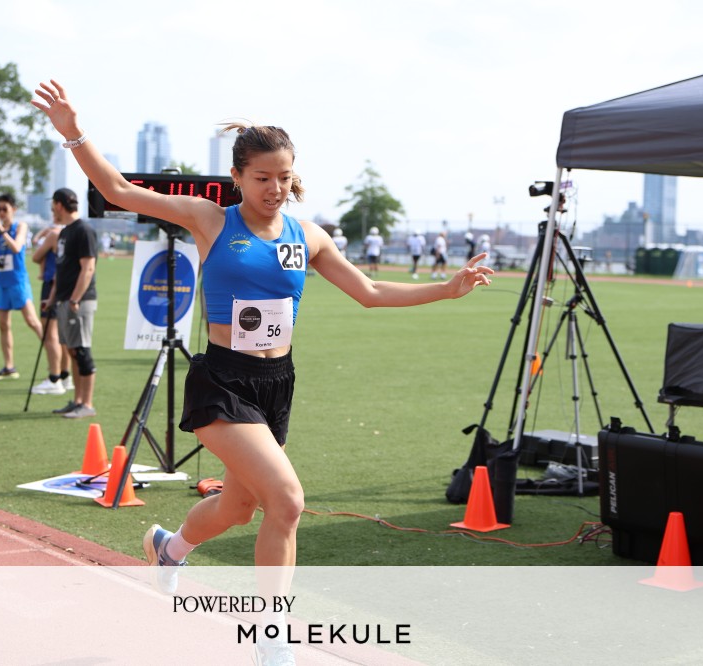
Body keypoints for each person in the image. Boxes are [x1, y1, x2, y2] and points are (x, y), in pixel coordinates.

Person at [32, 79, 493, 577]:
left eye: (284, 177)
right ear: (237, 176)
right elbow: (119, 191)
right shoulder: (210, 219)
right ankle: (273, 623)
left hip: (276, 383)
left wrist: (446, 289)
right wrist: (75, 133)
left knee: (237, 508)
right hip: (223, 381)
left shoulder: (308, 236)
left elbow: (370, 291)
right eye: (262, 178)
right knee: (287, 501)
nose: (275, 189)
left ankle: (169, 549)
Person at [42, 188, 99, 418]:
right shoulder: (65, 232)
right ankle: (77, 401)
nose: (52, 211)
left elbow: (88, 268)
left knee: (82, 351)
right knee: (73, 350)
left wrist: (75, 298)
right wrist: (52, 298)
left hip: (79, 301)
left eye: (53, 206)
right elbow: (61, 270)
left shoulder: (83, 230)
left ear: (59, 205)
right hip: (65, 300)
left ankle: (87, 404)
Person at [0, 193, 44, 379]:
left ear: (13, 209)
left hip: (18, 281)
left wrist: (0, 228)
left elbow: (16, 247)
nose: (0, 213)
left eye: (4, 209)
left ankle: (56, 358)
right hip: (2, 283)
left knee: (32, 321)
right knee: (4, 325)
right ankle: (9, 366)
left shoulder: (20, 226)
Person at [30, 210, 73, 396]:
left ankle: (54, 378)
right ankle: (65, 375)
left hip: (51, 285)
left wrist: (43, 234)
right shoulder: (71, 233)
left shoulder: (53, 234)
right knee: (63, 334)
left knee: (50, 334)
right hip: (67, 286)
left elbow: (35, 256)